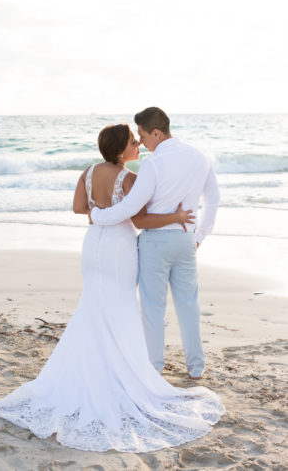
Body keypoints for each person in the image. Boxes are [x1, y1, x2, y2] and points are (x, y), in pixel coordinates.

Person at [0, 123, 224, 453]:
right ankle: (118, 373)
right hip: (118, 248)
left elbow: (78, 208)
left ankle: (91, 369)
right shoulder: (129, 178)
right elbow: (139, 220)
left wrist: (98, 213)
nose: (137, 146)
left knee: (93, 306)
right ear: (120, 150)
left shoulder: (87, 171)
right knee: (121, 308)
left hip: (93, 246)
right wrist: (175, 216)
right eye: (132, 142)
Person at [91, 108, 221, 380]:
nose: (141, 143)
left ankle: (154, 367)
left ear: (157, 133)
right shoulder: (200, 157)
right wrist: (199, 236)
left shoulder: (153, 164)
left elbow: (131, 206)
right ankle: (196, 367)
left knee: (153, 307)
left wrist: (97, 215)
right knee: (189, 305)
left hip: (155, 244)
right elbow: (213, 199)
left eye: (142, 135)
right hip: (186, 240)